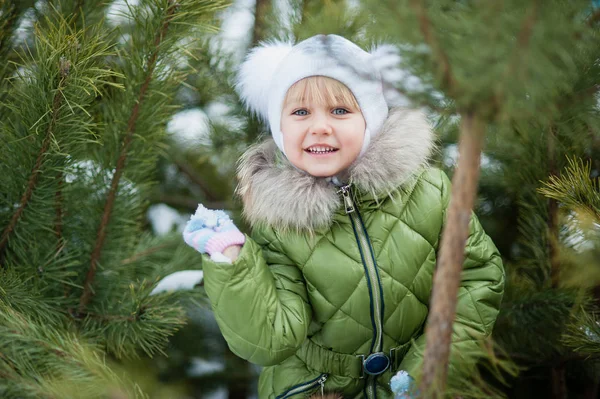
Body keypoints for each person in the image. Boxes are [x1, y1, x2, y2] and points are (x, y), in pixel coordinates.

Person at [175, 34, 505, 398]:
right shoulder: (279, 221)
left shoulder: (431, 193)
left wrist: (427, 372)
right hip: (316, 387)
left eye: (340, 111)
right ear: (280, 127)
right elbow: (270, 339)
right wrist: (232, 262)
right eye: (300, 112)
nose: (319, 126)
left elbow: (476, 280)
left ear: (373, 118)